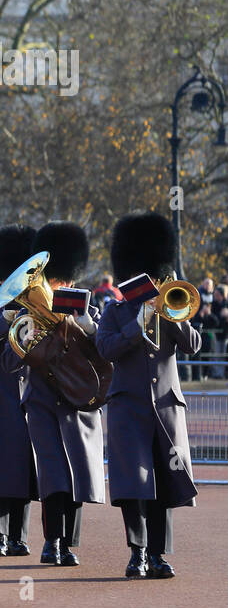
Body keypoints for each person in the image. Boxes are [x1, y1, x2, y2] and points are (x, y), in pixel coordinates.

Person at [96, 212, 199, 580]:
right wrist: (138, 323)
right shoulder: (115, 311)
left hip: (166, 408)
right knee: (135, 483)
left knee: (164, 481)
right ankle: (137, 553)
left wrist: (174, 316)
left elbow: (193, 345)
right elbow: (107, 349)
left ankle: (157, 555)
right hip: (128, 406)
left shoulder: (172, 308)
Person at [3, 221, 105, 567]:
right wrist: (25, 337)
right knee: (51, 471)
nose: (61, 285)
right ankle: (52, 542)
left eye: (65, 280)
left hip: (78, 400)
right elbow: (6, 362)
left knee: (76, 469)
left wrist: (87, 326)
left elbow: (105, 353)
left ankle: (69, 542)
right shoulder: (27, 312)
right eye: (56, 279)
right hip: (42, 398)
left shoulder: (88, 309)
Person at [0, 224, 38, 557]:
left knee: (24, 469)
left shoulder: (35, 310)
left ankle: (18, 535)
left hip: (26, 396)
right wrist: (7, 318)